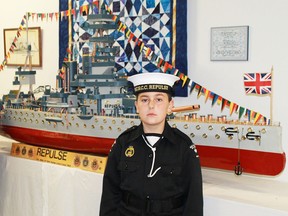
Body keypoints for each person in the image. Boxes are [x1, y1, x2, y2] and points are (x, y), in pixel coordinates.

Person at [100, 72, 203, 216]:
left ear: (170, 105)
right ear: (136, 106)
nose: (151, 105)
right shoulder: (122, 144)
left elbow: (194, 202)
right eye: (144, 100)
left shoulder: (184, 147)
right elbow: (109, 196)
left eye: (159, 99)